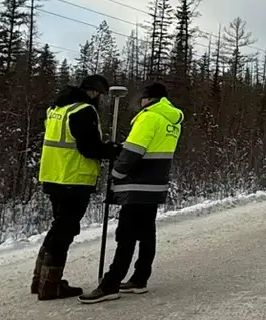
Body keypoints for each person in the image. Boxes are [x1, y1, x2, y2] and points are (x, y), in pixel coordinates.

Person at [81, 80, 184, 303]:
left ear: (149, 99)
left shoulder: (149, 117)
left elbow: (133, 151)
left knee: (126, 234)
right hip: (155, 183)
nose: (141, 102)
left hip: (137, 184)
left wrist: (116, 173)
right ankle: (140, 278)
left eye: (143, 98)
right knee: (146, 232)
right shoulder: (172, 120)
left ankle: (110, 284)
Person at [33, 73, 118, 300]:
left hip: (53, 175)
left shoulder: (57, 108)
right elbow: (89, 148)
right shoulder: (83, 110)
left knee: (58, 227)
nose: (101, 100)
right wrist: (112, 150)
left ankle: (40, 279)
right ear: (95, 92)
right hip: (74, 178)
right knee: (65, 230)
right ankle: (49, 284)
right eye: (101, 96)